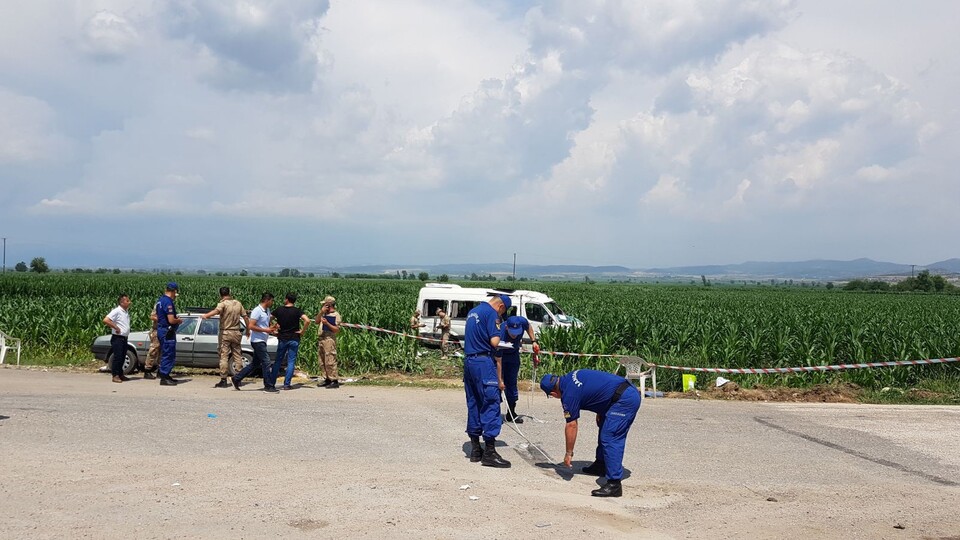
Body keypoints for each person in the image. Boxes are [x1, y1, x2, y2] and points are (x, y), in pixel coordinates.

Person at [539, 369, 642, 497]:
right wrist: (601, 409)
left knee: (610, 437)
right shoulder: (571, 376)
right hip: (621, 394)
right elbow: (597, 385)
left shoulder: (568, 395)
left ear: (553, 393)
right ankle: (601, 465)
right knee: (604, 425)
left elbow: (571, 425)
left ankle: (614, 484)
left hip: (625, 400)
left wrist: (568, 454)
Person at [462, 294, 512, 468]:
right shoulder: (492, 314)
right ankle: (490, 452)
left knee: (474, 402)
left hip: (469, 362)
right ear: (500, 307)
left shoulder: (473, 311)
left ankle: (476, 449)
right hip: (484, 363)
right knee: (490, 403)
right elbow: (494, 341)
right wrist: (503, 342)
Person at [201, 287, 249, 388]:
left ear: (220, 294)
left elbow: (216, 311)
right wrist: (248, 330)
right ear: (229, 293)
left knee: (224, 356)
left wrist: (206, 315)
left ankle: (223, 379)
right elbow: (245, 317)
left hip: (225, 332)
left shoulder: (222, 304)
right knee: (237, 355)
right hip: (236, 332)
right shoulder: (238, 303)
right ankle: (238, 378)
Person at [232, 293, 278, 392]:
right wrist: (265, 330)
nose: (272, 303)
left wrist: (272, 328)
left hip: (263, 339)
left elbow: (265, 323)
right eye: (272, 301)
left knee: (255, 363)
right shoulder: (257, 311)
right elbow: (251, 326)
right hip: (257, 341)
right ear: (267, 300)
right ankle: (268, 385)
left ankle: (237, 378)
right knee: (266, 362)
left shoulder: (267, 311)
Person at [498, 315, 539, 424]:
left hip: (513, 355)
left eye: (517, 332)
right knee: (498, 385)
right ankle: (494, 414)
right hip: (500, 356)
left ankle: (511, 413)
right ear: (507, 328)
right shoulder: (500, 333)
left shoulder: (522, 322)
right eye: (512, 333)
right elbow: (498, 359)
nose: (515, 335)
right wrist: (500, 378)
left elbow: (528, 326)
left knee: (512, 383)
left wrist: (533, 341)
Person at [270, 293, 311, 391]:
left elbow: (268, 318)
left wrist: (273, 328)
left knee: (278, 361)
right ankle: (287, 384)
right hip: (294, 337)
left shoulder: (279, 310)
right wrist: (302, 331)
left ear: (287, 299)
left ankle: (271, 383)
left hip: (282, 338)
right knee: (291, 361)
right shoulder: (297, 311)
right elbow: (307, 320)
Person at [155, 282, 183, 386]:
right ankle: (164, 376)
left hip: (162, 330)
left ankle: (166, 375)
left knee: (166, 353)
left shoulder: (160, 301)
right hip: (168, 331)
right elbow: (171, 320)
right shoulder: (168, 302)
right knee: (168, 354)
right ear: (174, 291)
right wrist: (178, 320)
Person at [102, 294, 132, 383]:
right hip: (117, 338)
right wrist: (116, 327)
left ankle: (120, 374)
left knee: (122, 357)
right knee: (118, 357)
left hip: (124, 338)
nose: (129, 302)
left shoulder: (125, 311)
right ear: (122, 302)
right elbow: (106, 320)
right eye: (127, 301)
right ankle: (115, 375)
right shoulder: (117, 311)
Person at [316, 295, 342, 389]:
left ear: (329, 305)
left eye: (325, 305)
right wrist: (321, 312)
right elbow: (316, 321)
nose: (323, 306)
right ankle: (326, 378)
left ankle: (334, 380)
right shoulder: (324, 314)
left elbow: (336, 330)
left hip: (329, 339)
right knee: (322, 361)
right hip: (321, 339)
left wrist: (327, 323)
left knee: (330, 360)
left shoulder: (336, 315)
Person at [142, 310, 160, 379]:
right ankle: (147, 370)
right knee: (153, 350)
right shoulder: (159, 304)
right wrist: (163, 320)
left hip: (163, 331)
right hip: (156, 330)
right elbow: (152, 316)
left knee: (162, 352)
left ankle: (160, 371)